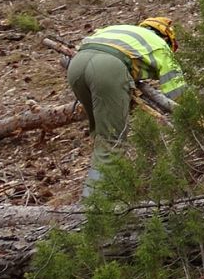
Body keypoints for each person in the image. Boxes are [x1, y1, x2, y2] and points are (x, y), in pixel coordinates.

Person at [65, 16, 187, 197]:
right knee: (112, 142)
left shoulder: (118, 29)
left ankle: (103, 189)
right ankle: (94, 207)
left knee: (101, 134)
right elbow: (178, 95)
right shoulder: (161, 46)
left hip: (77, 65)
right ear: (168, 39)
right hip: (107, 69)